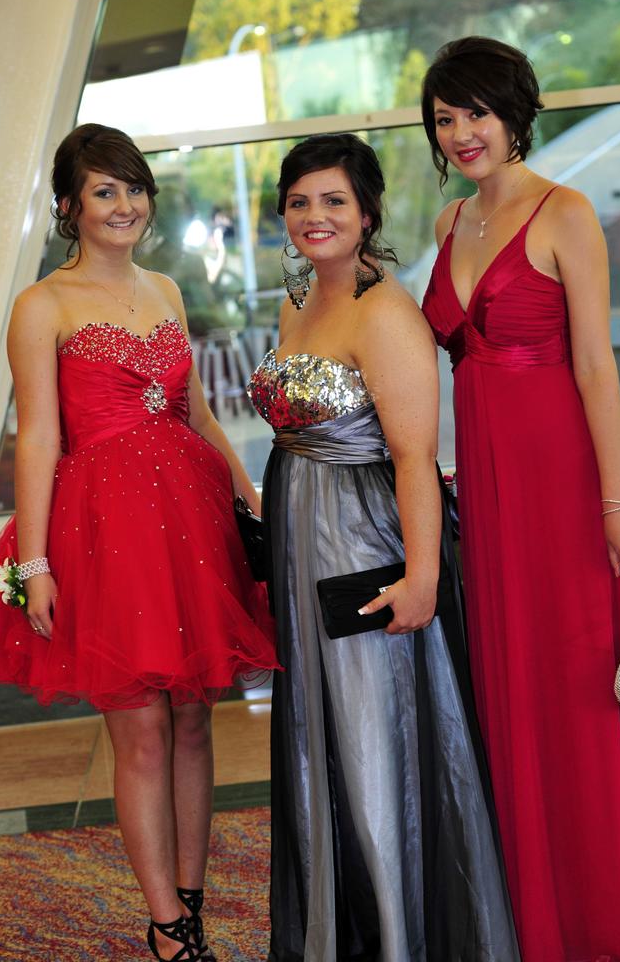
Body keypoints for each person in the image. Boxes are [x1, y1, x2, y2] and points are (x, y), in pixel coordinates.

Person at [0, 123, 280, 962]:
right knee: (141, 729)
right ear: (69, 206)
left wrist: (251, 499)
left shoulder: (163, 287)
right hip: (105, 532)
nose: (125, 204)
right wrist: (36, 561)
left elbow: (196, 413)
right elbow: (40, 442)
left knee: (196, 719)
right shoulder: (43, 305)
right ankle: (165, 925)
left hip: (191, 520)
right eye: (104, 190)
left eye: (133, 188)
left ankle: (191, 901)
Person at [420, 36, 620, 962]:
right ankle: (533, 909)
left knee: (580, 687)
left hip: (564, 483)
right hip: (489, 492)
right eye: (446, 118)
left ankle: (601, 915)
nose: (462, 133)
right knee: (513, 683)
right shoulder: (448, 224)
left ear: (514, 113)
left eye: (477, 113)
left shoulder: (566, 211)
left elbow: (594, 367)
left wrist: (617, 501)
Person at [247, 132, 519, 961]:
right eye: (299, 202)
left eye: (334, 201)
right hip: (302, 537)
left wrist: (424, 578)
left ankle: (402, 941)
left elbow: (413, 461)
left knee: (372, 746)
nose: (315, 216)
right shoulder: (301, 299)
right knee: (319, 740)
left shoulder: (387, 313)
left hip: (363, 540)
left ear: (367, 213)